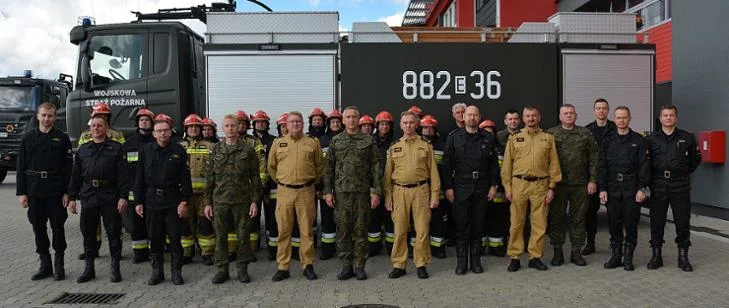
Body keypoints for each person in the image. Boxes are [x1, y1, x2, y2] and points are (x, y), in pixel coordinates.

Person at [133, 114, 192, 285]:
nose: (162, 134)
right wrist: (138, 202)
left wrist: (184, 201)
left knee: (175, 239)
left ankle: (176, 272)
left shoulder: (178, 151)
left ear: (170, 132)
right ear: (154, 133)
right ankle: (157, 272)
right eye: (159, 131)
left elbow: (185, 178)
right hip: (152, 201)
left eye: (165, 131)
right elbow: (139, 178)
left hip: (172, 200)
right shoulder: (146, 151)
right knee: (155, 238)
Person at [324, 106, 382, 281]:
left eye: (354, 117)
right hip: (341, 194)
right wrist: (328, 192)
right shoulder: (335, 141)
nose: (351, 120)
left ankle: (359, 266)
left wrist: (376, 192)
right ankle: (346, 266)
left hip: (362, 194)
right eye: (348, 117)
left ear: (359, 120)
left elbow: (376, 168)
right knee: (343, 230)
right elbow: (328, 169)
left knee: (361, 230)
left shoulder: (368, 141)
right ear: (343, 120)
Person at [16, 102, 73, 281]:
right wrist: (22, 193)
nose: (47, 119)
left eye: (50, 116)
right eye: (44, 115)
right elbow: (20, 167)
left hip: (55, 190)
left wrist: (67, 193)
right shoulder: (27, 138)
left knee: (58, 227)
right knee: (38, 228)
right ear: (37, 116)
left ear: (55, 117)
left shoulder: (62, 139)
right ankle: (45, 265)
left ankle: (59, 265)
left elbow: (69, 168)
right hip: (34, 190)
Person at [501, 106, 561, 272]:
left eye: (534, 116)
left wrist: (551, 187)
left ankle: (535, 257)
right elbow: (507, 165)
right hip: (518, 185)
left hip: (541, 185)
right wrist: (507, 187)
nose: (531, 119)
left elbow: (554, 164)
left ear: (538, 117)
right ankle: (515, 257)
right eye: (528, 116)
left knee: (539, 223)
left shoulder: (548, 138)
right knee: (516, 224)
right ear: (523, 118)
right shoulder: (514, 138)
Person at [68, 116, 126, 283]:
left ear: (106, 127)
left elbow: (123, 176)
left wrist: (123, 197)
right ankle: (89, 268)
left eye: (99, 125)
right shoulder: (83, 150)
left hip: (110, 195)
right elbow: (76, 176)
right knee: (88, 234)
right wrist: (72, 198)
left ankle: (115, 267)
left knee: (114, 233)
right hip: (89, 195)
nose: (96, 128)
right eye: (93, 126)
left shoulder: (116, 148)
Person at [443, 106, 500, 275]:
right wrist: (448, 188)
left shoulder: (488, 137)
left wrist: (494, 185)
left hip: (482, 185)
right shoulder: (454, 138)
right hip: (461, 185)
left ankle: (475, 262)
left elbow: (494, 164)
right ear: (464, 117)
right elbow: (447, 165)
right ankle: (461, 263)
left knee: (478, 225)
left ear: (479, 117)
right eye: (469, 115)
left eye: (475, 115)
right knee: (462, 226)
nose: (472, 118)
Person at [384, 111, 440, 279]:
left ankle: (421, 264)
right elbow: (387, 175)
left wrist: (435, 195)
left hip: (421, 191)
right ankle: (399, 265)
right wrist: (388, 197)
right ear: (401, 125)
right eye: (405, 123)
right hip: (399, 192)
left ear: (417, 124)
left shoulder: (425, 145)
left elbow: (433, 173)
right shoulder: (394, 146)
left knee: (422, 230)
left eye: (411, 122)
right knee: (400, 230)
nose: (408, 125)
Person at [268, 111, 324, 281]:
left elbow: (319, 166)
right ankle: (283, 266)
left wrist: (310, 182)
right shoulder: (278, 143)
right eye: (292, 122)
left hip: (306, 192)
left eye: (298, 122)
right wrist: (283, 181)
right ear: (286, 125)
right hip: (284, 192)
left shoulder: (313, 143)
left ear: (303, 124)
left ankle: (307, 265)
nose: (295, 125)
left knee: (307, 231)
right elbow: (272, 167)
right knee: (284, 230)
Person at [205, 115, 261, 284]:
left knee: (243, 237)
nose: (230, 128)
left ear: (238, 128)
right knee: (220, 237)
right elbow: (209, 178)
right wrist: (207, 203)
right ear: (223, 128)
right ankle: (222, 270)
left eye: (233, 125)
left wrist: (254, 201)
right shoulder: (215, 149)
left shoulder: (247, 150)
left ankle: (242, 270)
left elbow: (255, 177)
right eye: (227, 126)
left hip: (242, 201)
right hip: (220, 201)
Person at [646, 105, 701, 272]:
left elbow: (695, 159)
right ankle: (656, 256)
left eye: (671, 115)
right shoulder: (651, 139)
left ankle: (683, 256)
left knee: (682, 221)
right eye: (665, 115)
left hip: (680, 185)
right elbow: (646, 162)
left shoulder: (687, 137)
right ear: (660, 118)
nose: (668, 118)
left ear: (676, 118)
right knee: (657, 221)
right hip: (659, 184)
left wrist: (683, 172)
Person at [598, 106, 650, 271]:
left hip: (632, 188)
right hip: (613, 188)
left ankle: (628, 257)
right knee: (614, 223)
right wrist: (602, 188)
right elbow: (602, 166)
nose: (621, 120)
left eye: (624, 117)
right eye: (619, 118)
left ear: (629, 119)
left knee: (631, 223)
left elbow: (644, 166)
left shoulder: (639, 140)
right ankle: (616, 256)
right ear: (615, 119)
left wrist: (642, 188)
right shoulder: (608, 140)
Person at [547, 104, 598, 267]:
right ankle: (557, 253)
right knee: (556, 219)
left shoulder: (585, 133)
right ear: (560, 116)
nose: (568, 116)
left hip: (580, 184)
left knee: (578, 219)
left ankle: (576, 252)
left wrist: (593, 180)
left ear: (576, 116)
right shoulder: (551, 134)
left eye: (571, 113)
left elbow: (594, 157)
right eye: (565, 113)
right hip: (558, 185)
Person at [76, 102, 125, 261]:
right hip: (90, 189)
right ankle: (93, 249)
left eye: (103, 116)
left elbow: (121, 157)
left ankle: (115, 257)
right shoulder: (85, 135)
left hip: (109, 189)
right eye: (97, 116)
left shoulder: (117, 135)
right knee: (91, 226)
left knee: (113, 227)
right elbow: (81, 159)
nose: (100, 119)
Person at [179, 114, 215, 265]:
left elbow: (214, 171)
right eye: (191, 126)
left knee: (205, 224)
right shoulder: (179, 146)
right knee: (186, 225)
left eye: (196, 126)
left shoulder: (210, 147)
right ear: (186, 129)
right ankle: (187, 253)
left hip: (204, 195)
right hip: (184, 195)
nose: (193, 129)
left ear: (200, 129)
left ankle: (206, 253)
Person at [121, 108, 156, 263]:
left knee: (153, 223)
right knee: (136, 224)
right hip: (133, 191)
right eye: (141, 120)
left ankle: (154, 251)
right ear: (137, 122)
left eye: (147, 120)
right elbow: (122, 168)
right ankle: (139, 253)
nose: (144, 122)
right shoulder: (129, 142)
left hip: (152, 191)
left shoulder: (157, 141)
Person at [583, 98, 617, 255]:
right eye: (598, 108)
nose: (601, 111)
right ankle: (590, 243)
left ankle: (615, 242)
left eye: (604, 108)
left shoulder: (616, 128)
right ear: (594, 111)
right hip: (593, 178)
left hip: (612, 179)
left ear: (608, 110)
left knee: (614, 212)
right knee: (590, 212)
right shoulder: (587, 130)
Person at [235, 110, 266, 259]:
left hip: (250, 189)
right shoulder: (226, 142)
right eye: (238, 123)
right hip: (232, 190)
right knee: (233, 220)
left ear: (247, 125)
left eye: (243, 123)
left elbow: (261, 163)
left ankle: (251, 250)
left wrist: (259, 185)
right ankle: (233, 250)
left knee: (251, 221)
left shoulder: (254, 142)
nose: (240, 126)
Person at [316, 109, 344, 260]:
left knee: (343, 218)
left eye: (338, 122)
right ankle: (327, 249)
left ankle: (343, 248)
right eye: (332, 122)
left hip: (343, 187)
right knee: (327, 219)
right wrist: (320, 188)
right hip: (326, 186)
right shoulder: (322, 141)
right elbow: (319, 166)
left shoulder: (346, 139)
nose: (335, 124)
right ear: (328, 124)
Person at [419, 115, 448, 259]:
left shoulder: (443, 145)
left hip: (439, 191)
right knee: (418, 221)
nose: (428, 130)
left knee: (438, 220)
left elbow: (447, 169)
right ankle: (418, 249)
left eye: (430, 127)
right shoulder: (417, 144)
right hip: (420, 190)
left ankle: (438, 248)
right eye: (425, 127)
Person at [478, 119, 508, 257]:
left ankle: (496, 246)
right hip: (480, 189)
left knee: (497, 219)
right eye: (485, 132)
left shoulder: (502, 149)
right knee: (481, 218)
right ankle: (481, 246)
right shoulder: (476, 147)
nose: (488, 135)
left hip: (499, 190)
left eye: (491, 132)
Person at [262, 113, 289, 260]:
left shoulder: (298, 142)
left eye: (287, 126)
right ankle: (273, 251)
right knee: (274, 220)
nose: (285, 129)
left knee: (292, 221)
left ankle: (293, 250)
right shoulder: (272, 144)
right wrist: (266, 190)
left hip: (291, 190)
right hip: (274, 189)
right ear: (279, 128)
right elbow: (268, 167)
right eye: (283, 126)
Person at [371, 110, 396, 255]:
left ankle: (391, 247)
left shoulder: (396, 142)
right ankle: (373, 247)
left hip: (391, 186)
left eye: (387, 124)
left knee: (390, 217)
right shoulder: (370, 141)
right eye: (382, 124)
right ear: (377, 125)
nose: (384, 127)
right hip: (374, 185)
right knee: (373, 218)